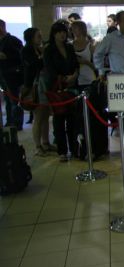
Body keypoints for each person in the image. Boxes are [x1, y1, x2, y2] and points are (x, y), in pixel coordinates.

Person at [93, 10, 124, 177]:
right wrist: (102, 71)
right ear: (119, 23)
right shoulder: (111, 39)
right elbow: (98, 54)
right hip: (119, 81)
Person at [42, 22, 78, 162]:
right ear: (54, 34)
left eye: (64, 32)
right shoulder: (49, 49)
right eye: (59, 32)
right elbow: (49, 70)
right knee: (59, 119)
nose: (62, 34)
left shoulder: (69, 47)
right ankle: (62, 151)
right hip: (56, 88)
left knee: (72, 119)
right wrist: (63, 78)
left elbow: (75, 64)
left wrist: (74, 76)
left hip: (71, 88)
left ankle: (74, 149)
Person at [22, 28, 53, 156]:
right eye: (38, 36)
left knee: (45, 115)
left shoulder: (39, 49)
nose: (41, 38)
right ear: (31, 38)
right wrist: (42, 55)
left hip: (44, 84)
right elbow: (34, 65)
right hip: (35, 85)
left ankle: (46, 142)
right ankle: (38, 146)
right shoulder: (27, 50)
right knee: (38, 116)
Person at [0, 19, 24, 130]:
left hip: (11, 75)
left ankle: (17, 123)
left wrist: (6, 56)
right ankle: (10, 121)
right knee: (7, 99)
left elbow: (21, 57)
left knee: (14, 99)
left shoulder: (13, 40)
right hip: (2, 74)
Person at [71, 21, 96, 91]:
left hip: (90, 79)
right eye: (72, 28)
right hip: (76, 80)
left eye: (75, 28)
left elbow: (96, 66)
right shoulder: (70, 45)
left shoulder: (91, 45)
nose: (73, 30)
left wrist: (85, 62)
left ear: (82, 29)